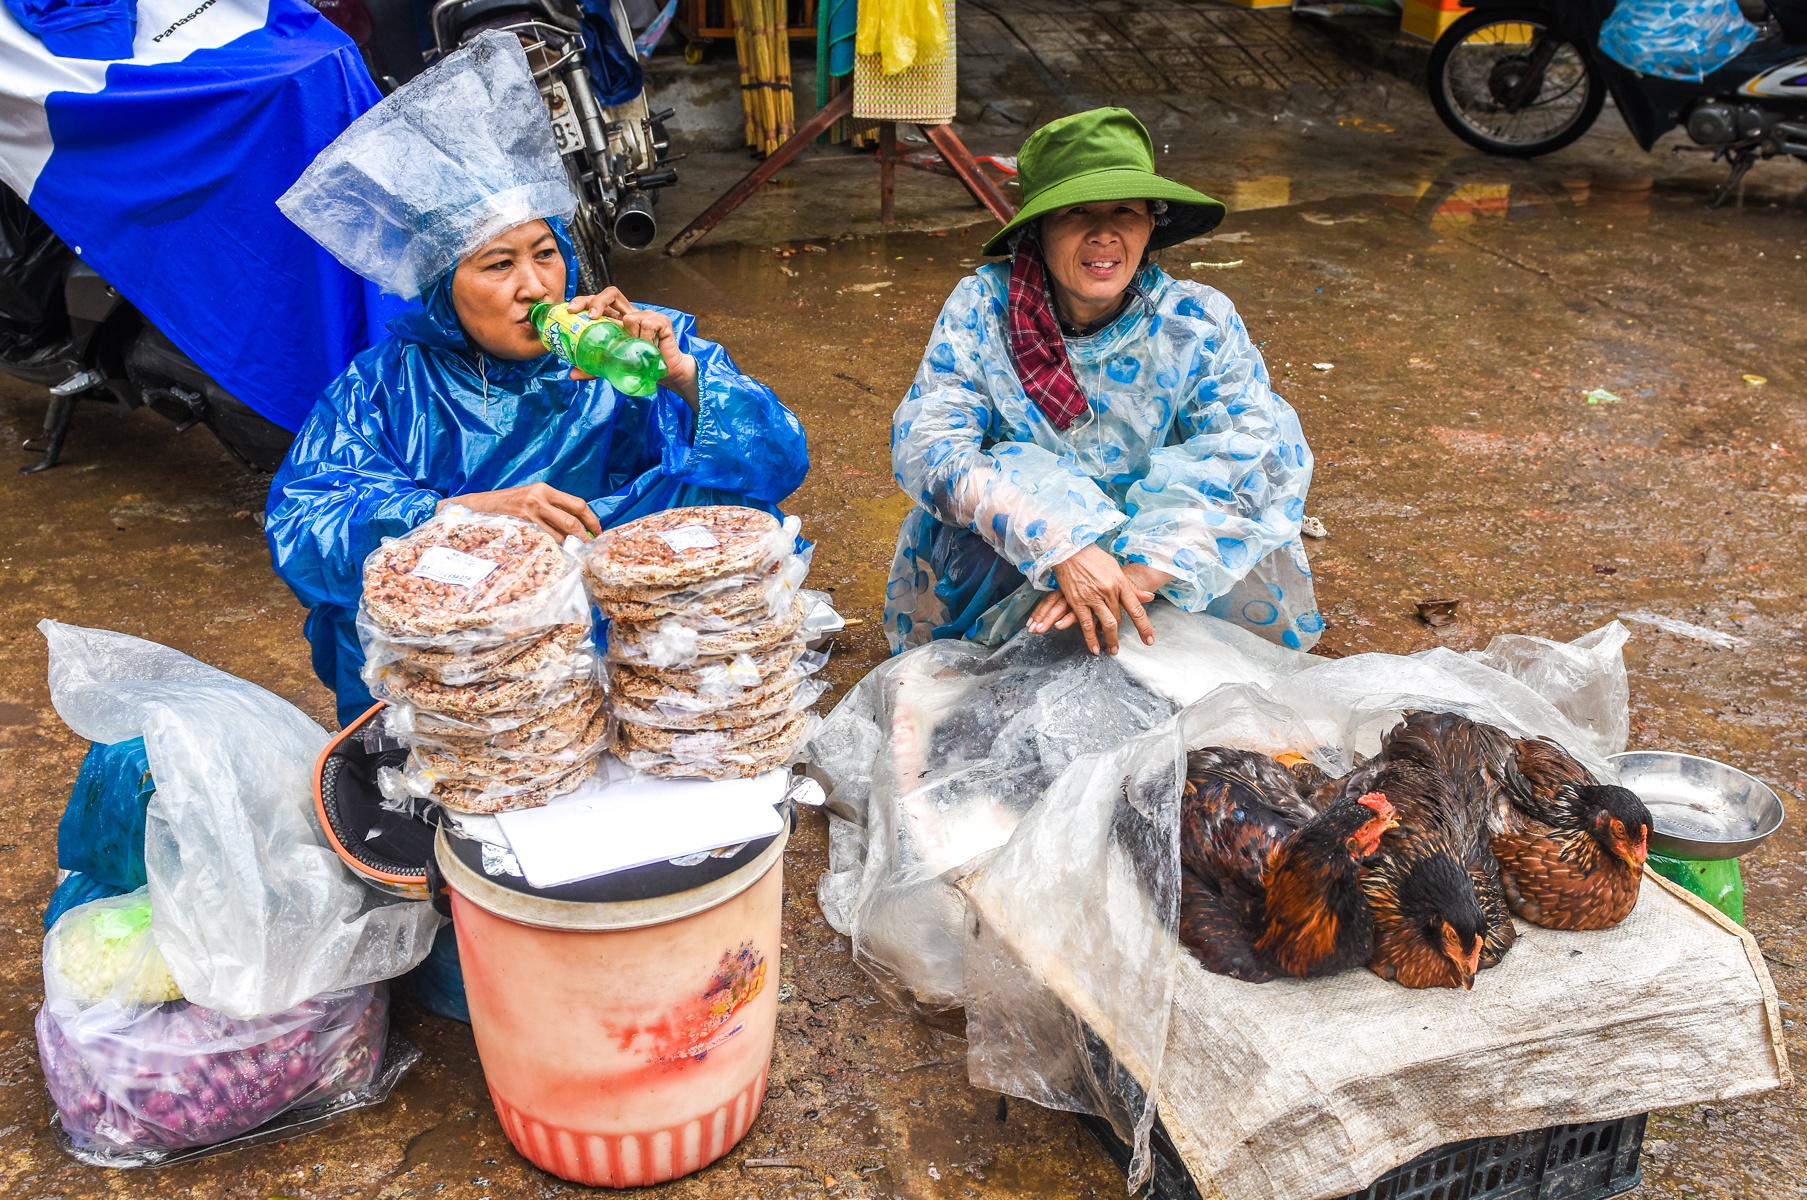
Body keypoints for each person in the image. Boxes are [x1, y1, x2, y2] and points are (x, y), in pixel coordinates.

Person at [266, 33, 807, 726]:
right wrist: (457, 518)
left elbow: (777, 465)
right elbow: (306, 530)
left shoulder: (630, 345)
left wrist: (682, 377)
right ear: (441, 287)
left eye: (546, 254)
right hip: (471, 674)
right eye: (497, 265)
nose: (534, 286)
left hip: (637, 655)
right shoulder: (385, 387)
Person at [885, 107, 1321, 657]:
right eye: (1077, 213)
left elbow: (1253, 453)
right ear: (1039, 229)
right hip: (1023, 549)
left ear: (1150, 225)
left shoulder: (1197, 320)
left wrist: (1135, 577)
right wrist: (1062, 545)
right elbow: (931, 449)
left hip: (1162, 558)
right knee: (991, 504)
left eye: (1124, 212)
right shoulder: (982, 309)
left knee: (1246, 531)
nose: (1105, 234)